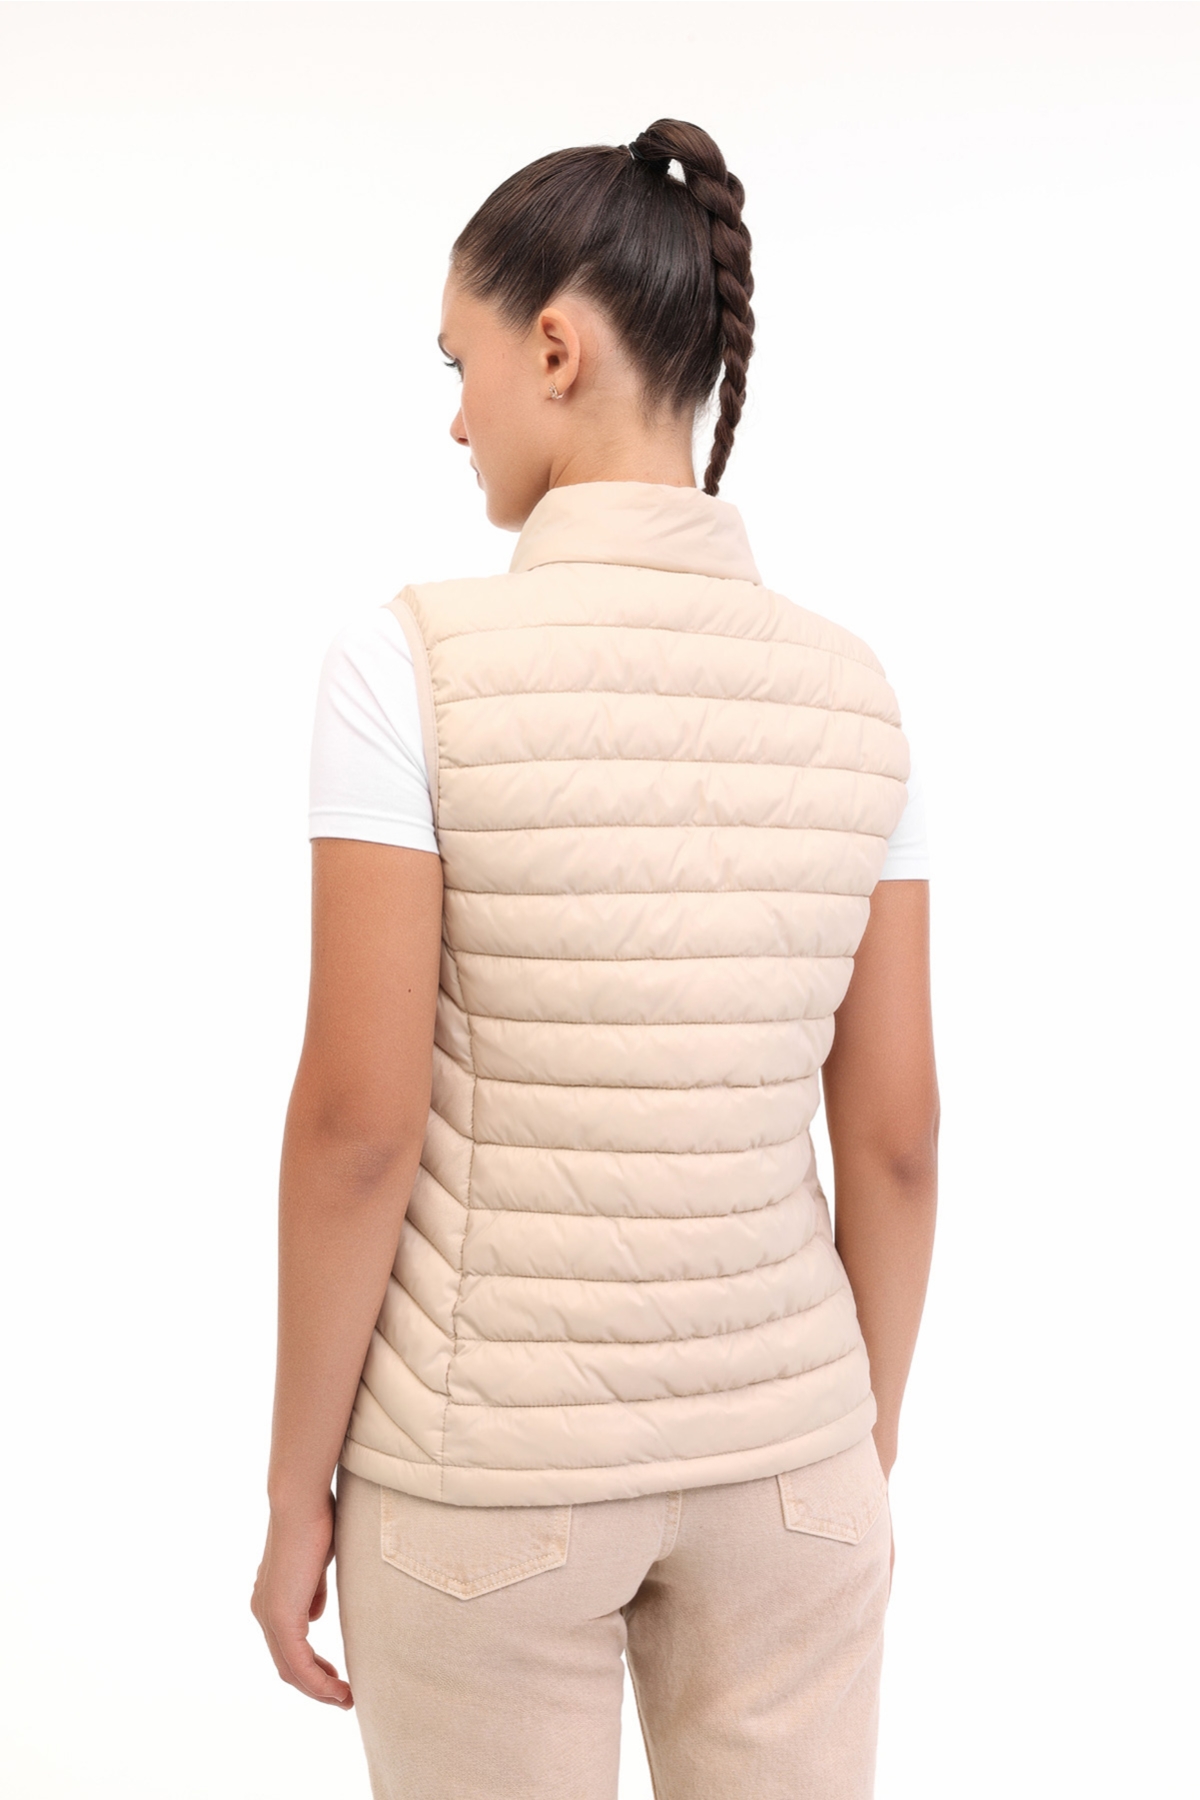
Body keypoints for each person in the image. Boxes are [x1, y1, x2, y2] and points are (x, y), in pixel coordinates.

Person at [251, 117, 939, 1800]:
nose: (455, 414)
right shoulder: (858, 695)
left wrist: (292, 1490)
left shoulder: (408, 666)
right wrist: (844, 1444)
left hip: (483, 1473)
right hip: (793, 1461)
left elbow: (357, 1127)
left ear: (555, 348)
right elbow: (899, 1142)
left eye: (461, 362)